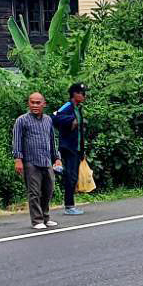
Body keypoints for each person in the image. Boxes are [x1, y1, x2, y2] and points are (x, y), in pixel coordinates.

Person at [12, 92, 62, 229]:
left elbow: (52, 140)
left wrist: (57, 158)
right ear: (28, 103)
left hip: (46, 161)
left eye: (38, 103)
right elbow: (16, 141)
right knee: (34, 192)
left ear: (44, 104)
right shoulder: (22, 120)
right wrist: (18, 159)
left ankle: (46, 217)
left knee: (48, 190)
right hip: (30, 162)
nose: (35, 105)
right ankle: (37, 220)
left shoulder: (48, 120)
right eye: (32, 102)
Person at [52, 82, 87, 215]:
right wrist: (71, 120)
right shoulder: (68, 106)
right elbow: (55, 117)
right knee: (71, 176)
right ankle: (69, 206)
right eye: (82, 93)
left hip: (76, 147)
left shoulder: (78, 108)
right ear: (74, 94)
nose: (84, 96)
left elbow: (80, 131)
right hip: (68, 146)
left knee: (73, 176)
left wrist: (82, 150)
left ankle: (59, 169)